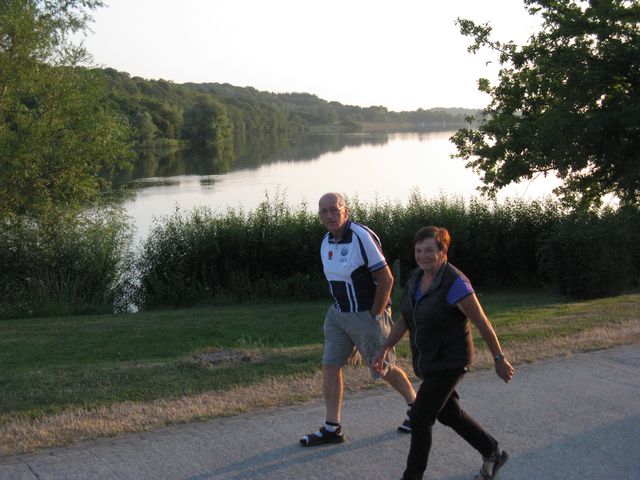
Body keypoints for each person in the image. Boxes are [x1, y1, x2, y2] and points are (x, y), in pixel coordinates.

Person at [372, 226, 515, 480]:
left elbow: (482, 322)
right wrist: (385, 348)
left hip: (451, 360)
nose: (423, 255)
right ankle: (493, 451)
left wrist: (499, 358)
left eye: (429, 250)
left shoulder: (455, 282)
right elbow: (405, 320)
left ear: (443, 250)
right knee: (449, 414)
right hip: (429, 360)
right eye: (418, 250)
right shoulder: (416, 278)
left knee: (419, 418)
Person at [300, 192, 417, 447]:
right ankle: (332, 428)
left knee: (382, 368)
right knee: (331, 365)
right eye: (324, 211)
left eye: (334, 209)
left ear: (345, 211)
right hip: (337, 316)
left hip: (366, 316)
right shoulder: (325, 242)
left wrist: (375, 315)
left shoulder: (361, 236)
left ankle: (417, 409)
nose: (329, 215)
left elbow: (386, 279)